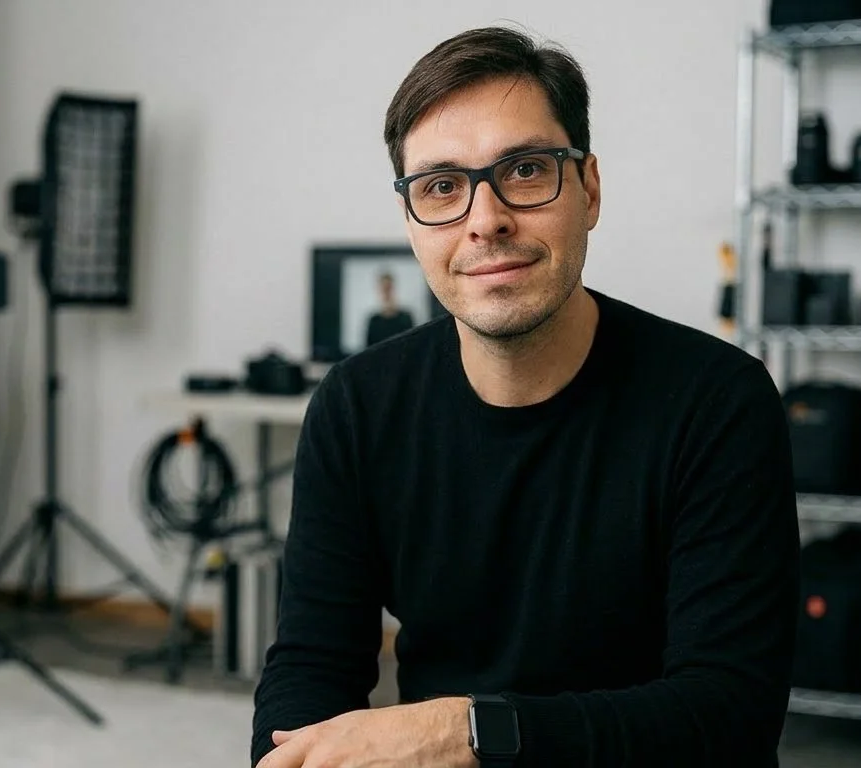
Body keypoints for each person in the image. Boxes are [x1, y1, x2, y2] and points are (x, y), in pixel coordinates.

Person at [251, 24, 800, 768]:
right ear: (411, 221)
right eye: (441, 186)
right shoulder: (357, 406)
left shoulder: (716, 401)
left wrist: (466, 730)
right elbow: (310, 667)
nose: (486, 220)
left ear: (590, 189)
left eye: (527, 169)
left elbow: (729, 714)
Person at [364, 271, 415, 347]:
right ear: (379, 291)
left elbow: (412, 345)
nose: (386, 292)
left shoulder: (406, 318)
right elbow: (368, 350)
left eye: (388, 288)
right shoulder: (374, 321)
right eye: (384, 289)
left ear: (393, 289)